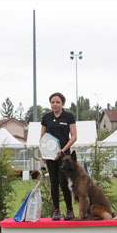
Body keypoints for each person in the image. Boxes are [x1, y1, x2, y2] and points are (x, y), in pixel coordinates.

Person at [40, 92, 77, 221]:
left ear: (63, 104)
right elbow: (43, 138)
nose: (55, 104)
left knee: (63, 182)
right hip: (50, 156)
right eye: (52, 102)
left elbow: (74, 137)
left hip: (64, 157)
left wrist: (62, 151)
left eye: (57, 102)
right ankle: (56, 210)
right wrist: (43, 152)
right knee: (53, 182)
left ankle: (70, 210)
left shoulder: (69, 117)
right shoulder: (46, 118)